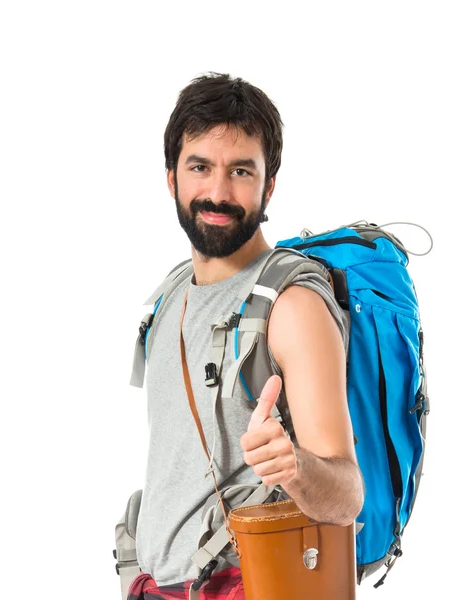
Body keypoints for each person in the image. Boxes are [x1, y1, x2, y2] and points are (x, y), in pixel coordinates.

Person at [127, 72, 364, 600]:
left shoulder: (291, 304)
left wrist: (295, 466)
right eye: (200, 167)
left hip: (245, 586)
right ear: (172, 178)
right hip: (158, 588)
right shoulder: (169, 295)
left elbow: (347, 496)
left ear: (268, 184)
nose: (217, 191)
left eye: (240, 171)